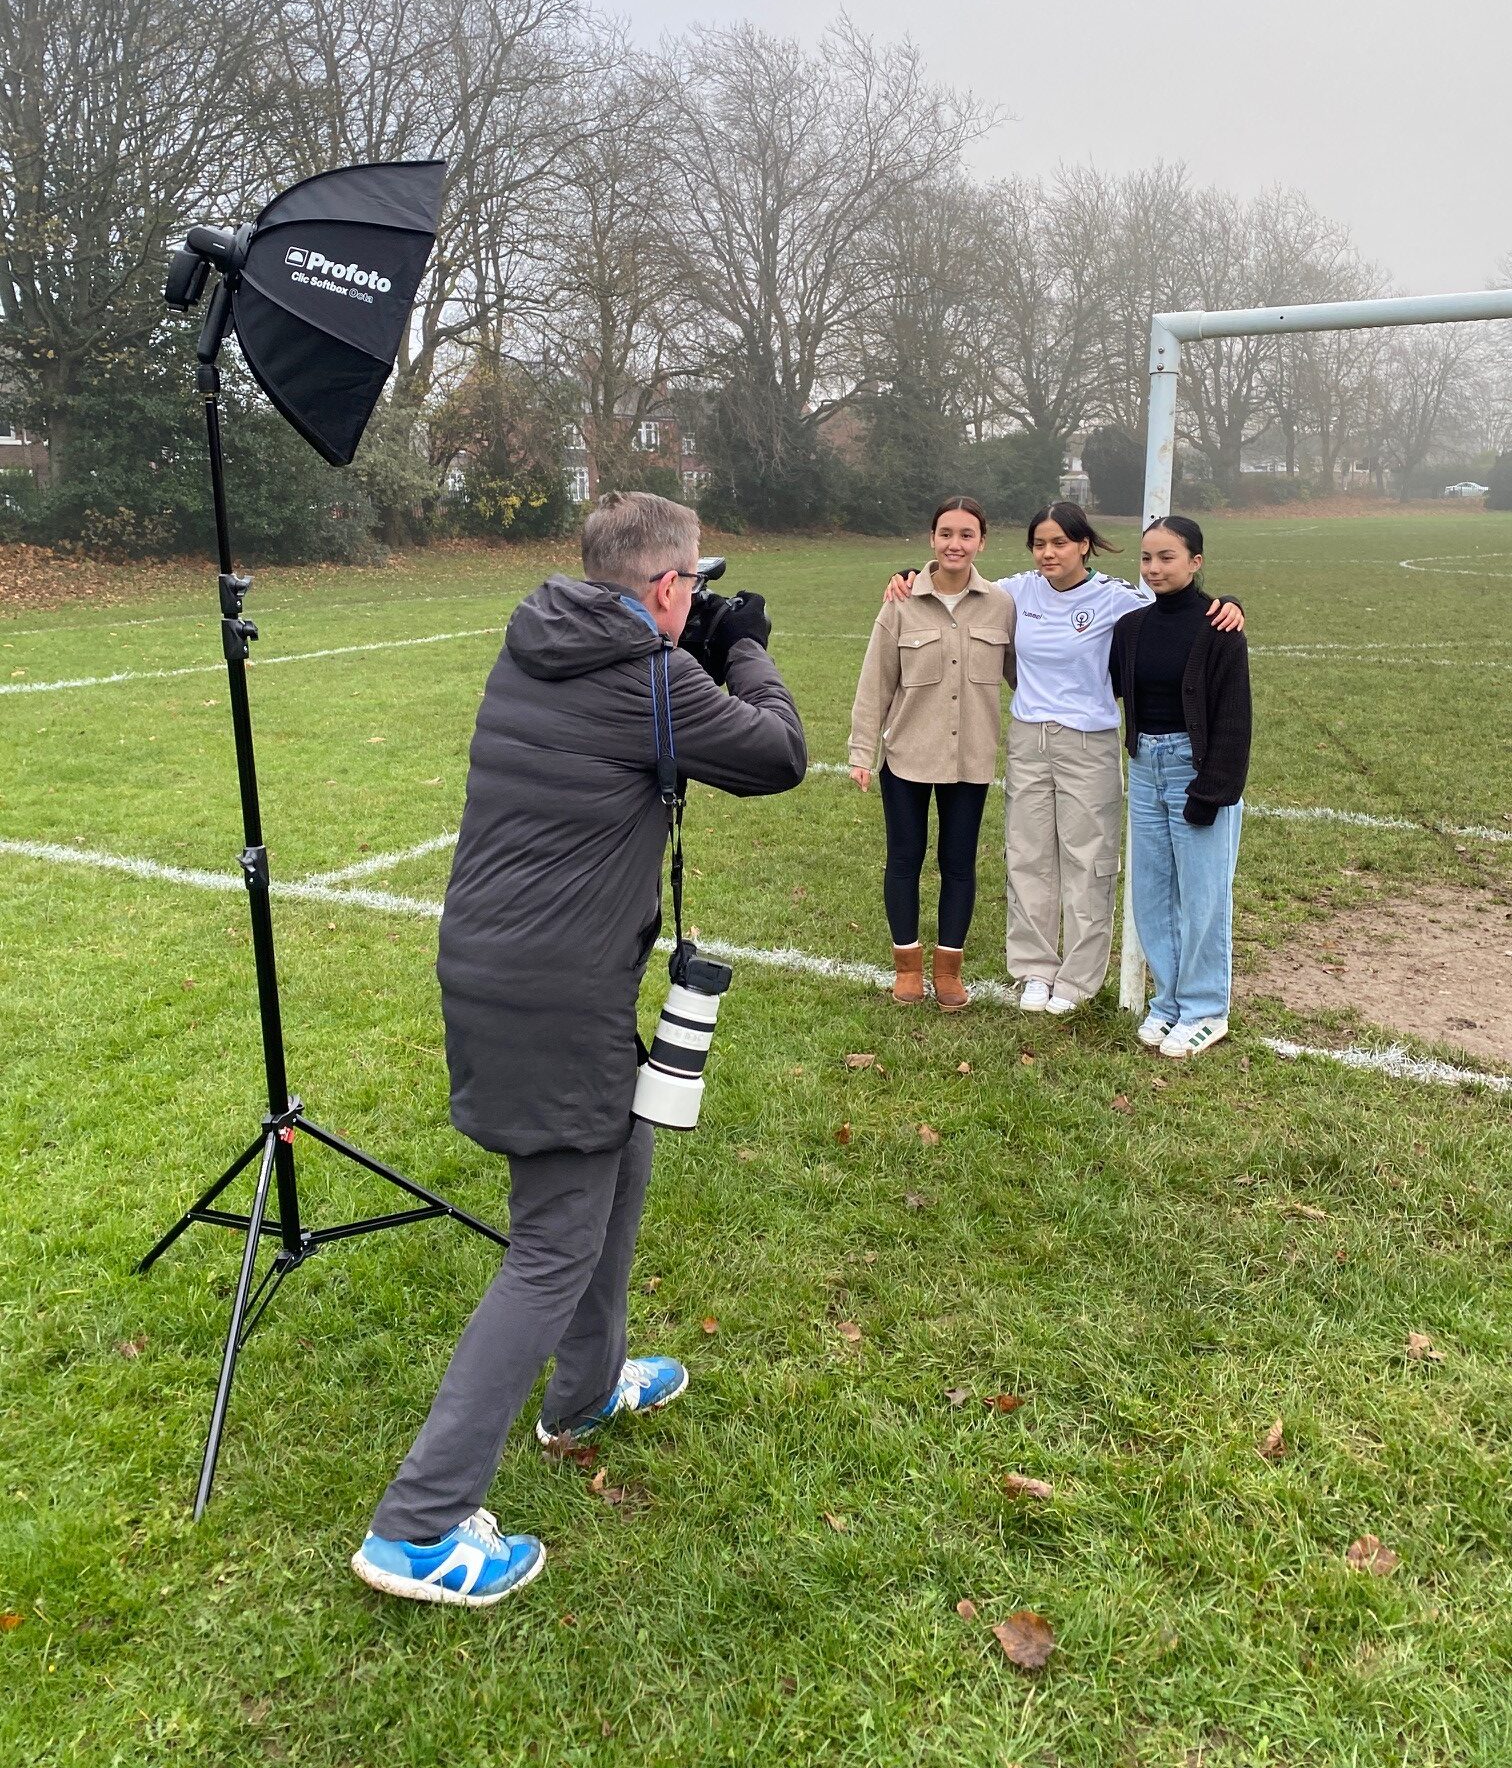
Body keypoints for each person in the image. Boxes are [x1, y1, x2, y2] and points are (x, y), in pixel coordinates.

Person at [352, 493, 806, 1606]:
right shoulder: (652, 676)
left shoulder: (543, 645)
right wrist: (740, 648)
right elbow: (777, 752)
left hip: (514, 972)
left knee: (623, 1156)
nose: (698, 598)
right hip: (553, 993)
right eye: (692, 584)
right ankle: (416, 1528)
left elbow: (638, 699)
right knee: (553, 1241)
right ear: (661, 589)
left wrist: (680, 641)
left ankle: (585, 1393)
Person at [887, 502, 1243, 1011]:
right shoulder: (1015, 592)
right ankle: (1034, 969)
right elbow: (956, 582)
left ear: (1083, 545)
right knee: (1028, 858)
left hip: (1089, 744)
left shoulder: (1117, 598)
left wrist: (1230, 601)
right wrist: (906, 576)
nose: (1048, 553)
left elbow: (1178, 602)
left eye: (1059, 543)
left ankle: (1077, 978)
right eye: (1039, 544)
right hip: (1029, 739)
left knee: (1088, 862)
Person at [848, 497, 1015, 1010]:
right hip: (908, 758)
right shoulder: (899, 602)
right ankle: (907, 966)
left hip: (972, 760)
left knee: (959, 863)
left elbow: (1027, 677)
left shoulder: (1002, 604)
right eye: (946, 533)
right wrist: (861, 750)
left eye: (966, 535)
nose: (955, 544)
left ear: (981, 542)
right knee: (904, 859)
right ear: (932, 539)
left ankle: (948, 970)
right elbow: (875, 682)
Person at [1111, 516, 1250, 1059]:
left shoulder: (1219, 626)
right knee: (1151, 892)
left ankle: (1204, 1008)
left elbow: (1235, 719)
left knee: (1203, 894)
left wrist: (1212, 790)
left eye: (1167, 557)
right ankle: (1167, 1002)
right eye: (1146, 558)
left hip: (1198, 769)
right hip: (1146, 766)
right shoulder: (1132, 627)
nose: (1154, 568)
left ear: (1195, 562)